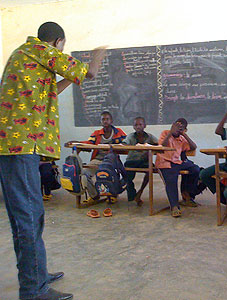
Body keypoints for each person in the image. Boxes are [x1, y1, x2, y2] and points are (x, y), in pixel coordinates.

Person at [0, 22, 106, 300]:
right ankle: (33, 290)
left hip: (17, 146)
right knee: (28, 218)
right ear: (58, 42)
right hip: (20, 147)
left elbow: (51, 92)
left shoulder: (25, 55)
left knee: (29, 216)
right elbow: (92, 71)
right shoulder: (40, 50)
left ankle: (36, 273)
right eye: (63, 47)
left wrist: (73, 77)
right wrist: (99, 53)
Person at [65, 111, 126, 204]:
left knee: (111, 173)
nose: (105, 121)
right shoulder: (97, 133)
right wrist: (75, 142)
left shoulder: (118, 132)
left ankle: (113, 194)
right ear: (100, 122)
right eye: (103, 119)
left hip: (111, 160)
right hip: (97, 159)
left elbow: (126, 143)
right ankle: (94, 195)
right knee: (85, 174)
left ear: (111, 121)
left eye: (107, 119)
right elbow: (88, 143)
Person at [155, 118, 200, 217]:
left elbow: (193, 147)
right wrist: (170, 132)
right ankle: (174, 206)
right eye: (177, 127)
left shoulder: (181, 138)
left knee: (195, 169)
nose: (178, 130)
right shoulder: (165, 133)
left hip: (176, 162)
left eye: (181, 128)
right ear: (172, 125)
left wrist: (184, 134)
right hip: (164, 162)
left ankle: (187, 196)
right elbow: (162, 146)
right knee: (171, 179)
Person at [122, 116, 158, 205]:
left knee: (151, 169)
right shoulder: (131, 136)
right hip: (131, 161)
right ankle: (133, 195)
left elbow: (159, 144)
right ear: (133, 127)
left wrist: (151, 147)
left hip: (144, 162)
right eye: (136, 125)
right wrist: (133, 147)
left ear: (145, 125)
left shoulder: (149, 136)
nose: (138, 126)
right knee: (127, 177)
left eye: (140, 124)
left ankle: (140, 192)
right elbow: (124, 144)